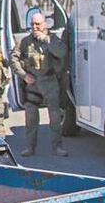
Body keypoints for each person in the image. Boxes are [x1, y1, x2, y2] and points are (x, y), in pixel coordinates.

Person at [10, 12, 69, 157]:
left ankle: (57, 147)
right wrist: (24, 75)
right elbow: (13, 59)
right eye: (32, 24)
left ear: (45, 24)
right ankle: (30, 147)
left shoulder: (53, 39)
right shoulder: (25, 42)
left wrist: (47, 40)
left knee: (55, 117)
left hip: (50, 82)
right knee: (30, 118)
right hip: (33, 84)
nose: (35, 27)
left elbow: (62, 53)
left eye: (38, 24)